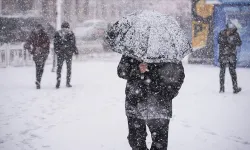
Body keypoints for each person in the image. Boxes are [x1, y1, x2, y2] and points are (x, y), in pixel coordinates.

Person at [117, 55, 185, 150]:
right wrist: (137, 69)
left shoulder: (169, 51)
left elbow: (179, 75)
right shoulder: (133, 49)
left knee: (160, 144)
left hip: (160, 105)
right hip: (135, 103)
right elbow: (121, 71)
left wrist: (168, 93)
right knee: (136, 142)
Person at [24, 24, 50, 89]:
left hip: (43, 53)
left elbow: (47, 43)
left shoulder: (44, 34)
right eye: (36, 29)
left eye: (38, 29)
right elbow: (27, 43)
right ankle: (38, 81)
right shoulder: (32, 35)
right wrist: (31, 49)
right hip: (36, 53)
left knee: (41, 67)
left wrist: (41, 48)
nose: (37, 30)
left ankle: (38, 80)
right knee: (38, 66)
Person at [218, 23, 242, 93]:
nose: (230, 31)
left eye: (232, 30)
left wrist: (233, 42)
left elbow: (239, 43)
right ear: (227, 28)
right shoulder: (222, 33)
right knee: (222, 72)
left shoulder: (236, 34)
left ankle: (235, 88)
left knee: (233, 72)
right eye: (229, 29)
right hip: (223, 55)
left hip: (232, 55)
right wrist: (226, 39)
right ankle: (221, 88)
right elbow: (219, 41)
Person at [54, 22, 78, 89]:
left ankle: (58, 82)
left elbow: (55, 44)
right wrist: (75, 51)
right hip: (68, 53)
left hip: (61, 53)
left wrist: (57, 51)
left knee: (59, 68)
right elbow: (73, 44)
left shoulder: (57, 33)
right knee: (68, 68)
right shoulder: (71, 33)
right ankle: (68, 82)